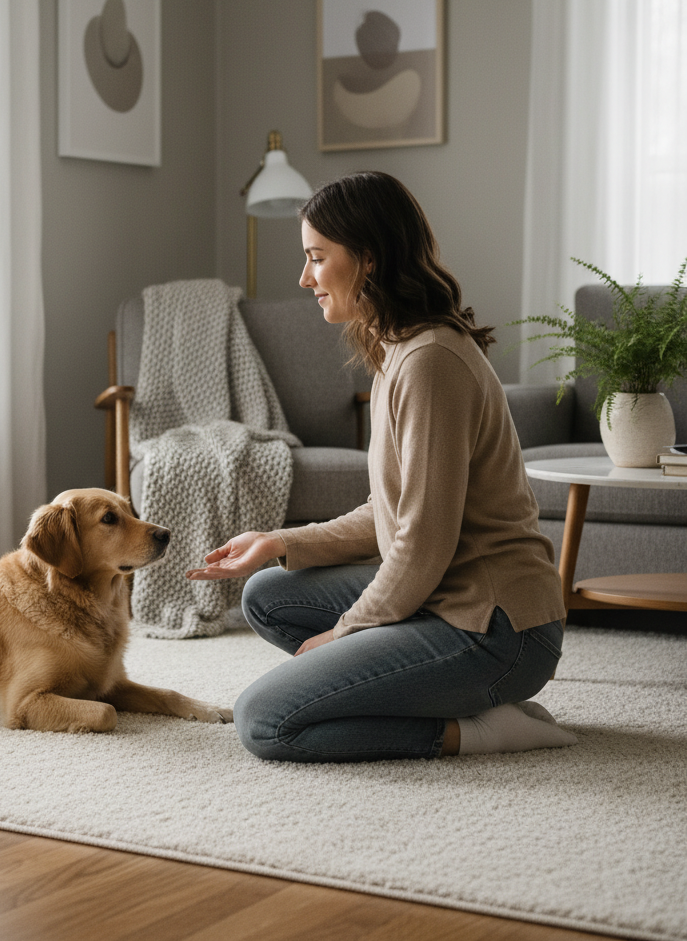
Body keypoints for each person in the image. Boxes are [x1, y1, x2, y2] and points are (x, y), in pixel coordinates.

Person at [187, 172, 577, 762]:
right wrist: (277, 540)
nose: (304, 278)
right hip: (445, 598)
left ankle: (487, 729)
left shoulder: (430, 363)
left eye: (317, 258)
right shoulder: (399, 349)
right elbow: (389, 510)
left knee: (266, 722)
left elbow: (420, 542)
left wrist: (343, 634)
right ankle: (425, 684)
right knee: (269, 592)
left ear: (367, 259)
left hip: (498, 628)